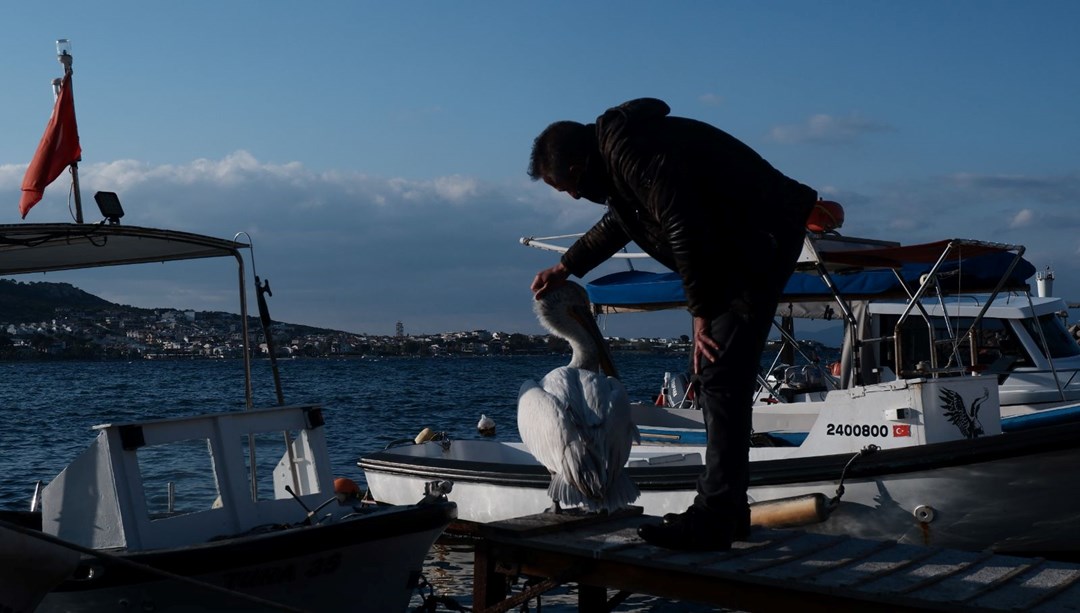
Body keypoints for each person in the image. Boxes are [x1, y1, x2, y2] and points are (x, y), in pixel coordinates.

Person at [528, 98, 817, 551]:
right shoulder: (623, 161)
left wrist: (701, 312)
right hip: (747, 243)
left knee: (720, 372)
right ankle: (729, 513)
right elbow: (621, 221)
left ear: (579, 166)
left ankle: (715, 517)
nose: (572, 197)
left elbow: (684, 226)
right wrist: (566, 266)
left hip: (757, 242)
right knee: (717, 375)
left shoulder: (632, 152)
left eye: (567, 187)